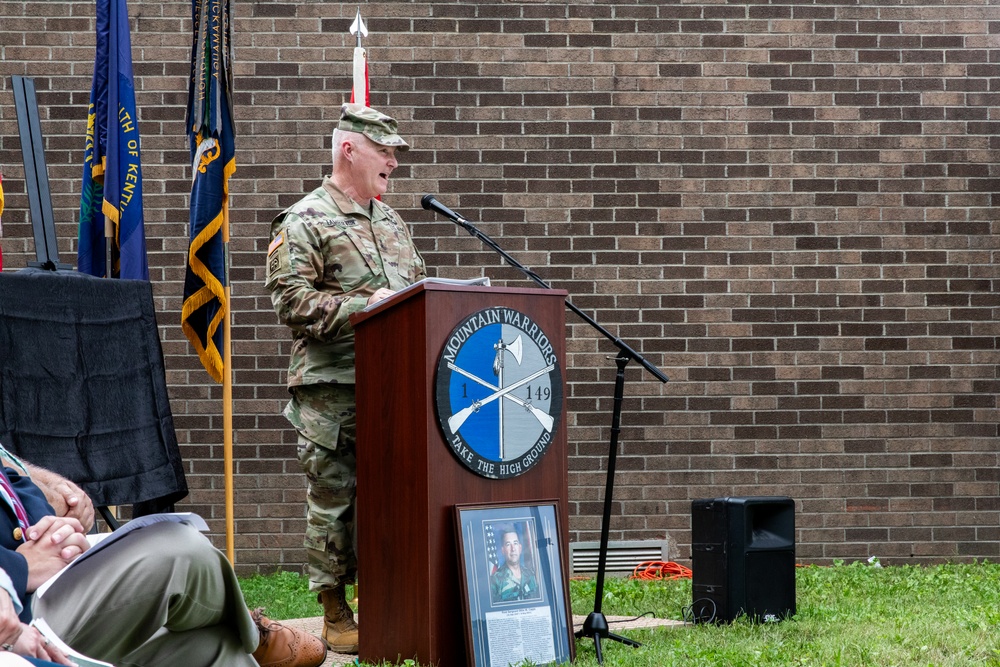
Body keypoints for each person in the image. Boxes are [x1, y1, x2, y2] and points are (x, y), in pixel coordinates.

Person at [265, 102, 427, 654]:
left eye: (396, 154)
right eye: (385, 151)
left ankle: (395, 597)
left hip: (396, 388)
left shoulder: (393, 222)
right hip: (332, 391)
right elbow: (291, 302)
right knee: (336, 498)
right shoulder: (303, 220)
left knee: (395, 496)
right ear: (348, 149)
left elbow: (419, 297)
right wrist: (366, 306)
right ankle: (334, 608)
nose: (394, 163)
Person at [0, 448, 326, 667]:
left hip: (45, 592)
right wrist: (20, 568)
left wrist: (54, 531)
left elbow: (11, 478)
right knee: (178, 549)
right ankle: (253, 636)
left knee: (216, 648)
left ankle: (243, 636)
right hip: (19, 615)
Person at [490, 526, 540, 603]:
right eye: (508, 544)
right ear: (503, 550)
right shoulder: (495, 581)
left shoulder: (530, 575)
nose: (513, 549)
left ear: (520, 548)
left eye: (515, 543)